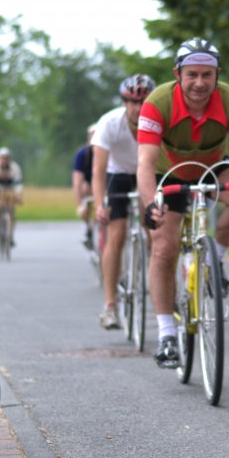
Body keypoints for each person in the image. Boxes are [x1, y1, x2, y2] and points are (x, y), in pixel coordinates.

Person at [137, 38, 229, 368]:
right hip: (168, 174)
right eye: (192, 75)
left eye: (207, 75)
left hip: (212, 168)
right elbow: (145, 162)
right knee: (163, 248)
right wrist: (151, 204)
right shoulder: (157, 103)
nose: (199, 83)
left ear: (217, 74)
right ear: (177, 74)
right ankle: (167, 334)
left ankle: (215, 256)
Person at [91, 73, 157, 329]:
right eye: (132, 102)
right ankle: (110, 305)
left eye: (143, 102)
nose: (138, 109)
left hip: (147, 173)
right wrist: (100, 204)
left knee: (156, 230)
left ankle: (159, 283)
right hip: (117, 174)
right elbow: (98, 170)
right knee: (116, 234)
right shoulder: (109, 123)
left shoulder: (158, 122)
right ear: (124, 103)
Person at [0, 147, 24, 242]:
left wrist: (19, 196)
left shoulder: (15, 168)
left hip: (10, 189)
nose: (4, 161)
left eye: (6, 158)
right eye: (2, 158)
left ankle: (10, 236)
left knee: (12, 210)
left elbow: (18, 184)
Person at [72, 125, 97, 249]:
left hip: (103, 181)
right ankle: (88, 228)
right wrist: (79, 205)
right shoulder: (82, 154)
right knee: (84, 188)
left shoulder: (109, 151)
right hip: (88, 182)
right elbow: (77, 181)